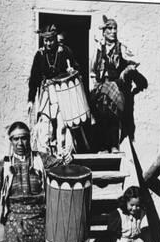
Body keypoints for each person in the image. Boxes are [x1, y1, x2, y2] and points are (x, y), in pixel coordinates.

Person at [90, 16, 148, 152]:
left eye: (115, 28)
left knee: (113, 115)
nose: (113, 31)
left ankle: (114, 145)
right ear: (104, 32)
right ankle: (103, 147)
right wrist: (95, 83)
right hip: (101, 86)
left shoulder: (121, 47)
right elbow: (92, 69)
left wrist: (126, 71)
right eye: (110, 28)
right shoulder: (98, 48)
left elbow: (135, 61)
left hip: (116, 85)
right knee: (100, 115)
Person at [28, 24, 80, 156]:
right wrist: (30, 99)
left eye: (51, 40)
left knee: (63, 124)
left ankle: (64, 153)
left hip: (63, 91)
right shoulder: (39, 55)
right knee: (45, 123)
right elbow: (34, 78)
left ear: (55, 38)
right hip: (47, 92)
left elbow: (76, 69)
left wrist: (72, 70)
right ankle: (44, 154)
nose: (48, 43)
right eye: (46, 40)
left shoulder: (65, 51)